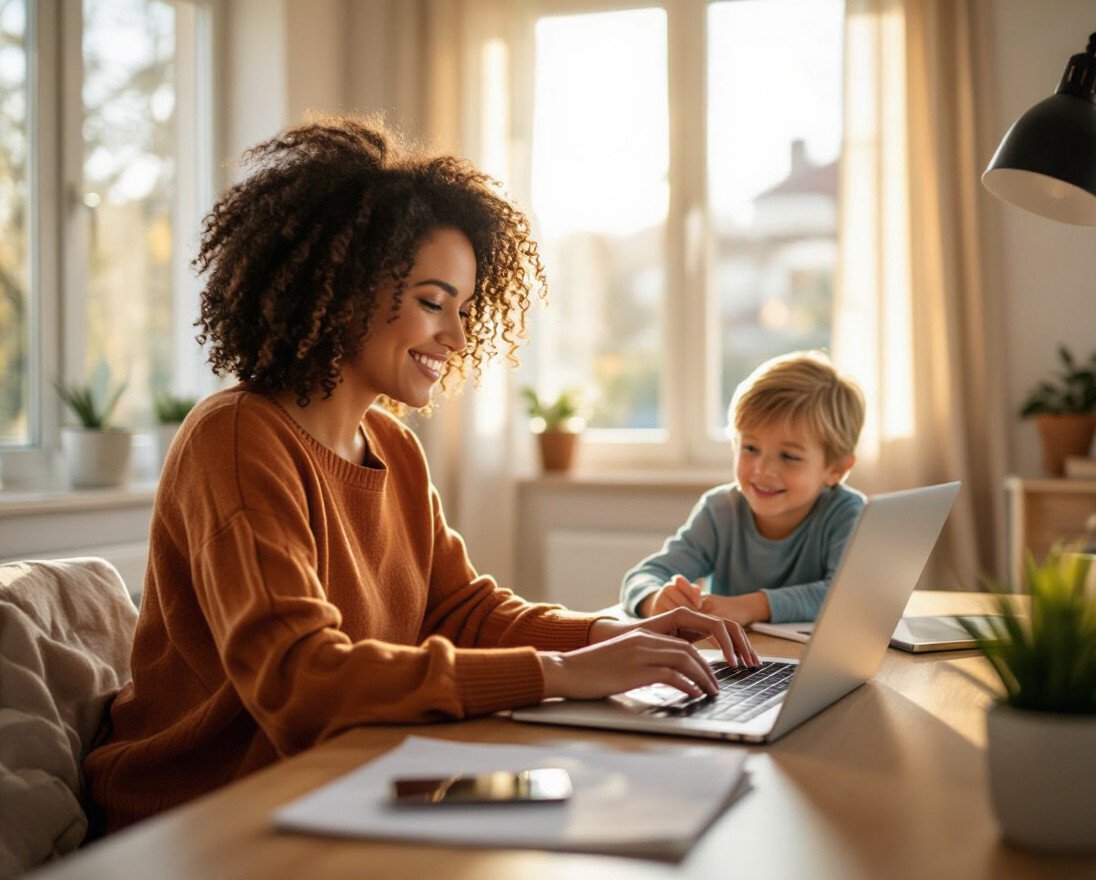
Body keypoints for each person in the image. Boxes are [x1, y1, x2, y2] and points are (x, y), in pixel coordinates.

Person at [83, 115, 757, 833]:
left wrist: (610, 636)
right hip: (200, 815)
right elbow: (300, 680)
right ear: (341, 291)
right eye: (433, 303)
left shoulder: (392, 446)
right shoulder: (238, 438)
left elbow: (461, 612)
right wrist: (561, 674)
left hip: (342, 780)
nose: (458, 336)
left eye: (463, 308)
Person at [620, 351, 866, 627]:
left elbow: (847, 595)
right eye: (750, 448)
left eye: (789, 456)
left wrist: (753, 606)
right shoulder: (720, 512)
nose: (763, 469)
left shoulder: (848, 513)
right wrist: (654, 599)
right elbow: (643, 576)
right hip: (733, 653)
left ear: (836, 470)